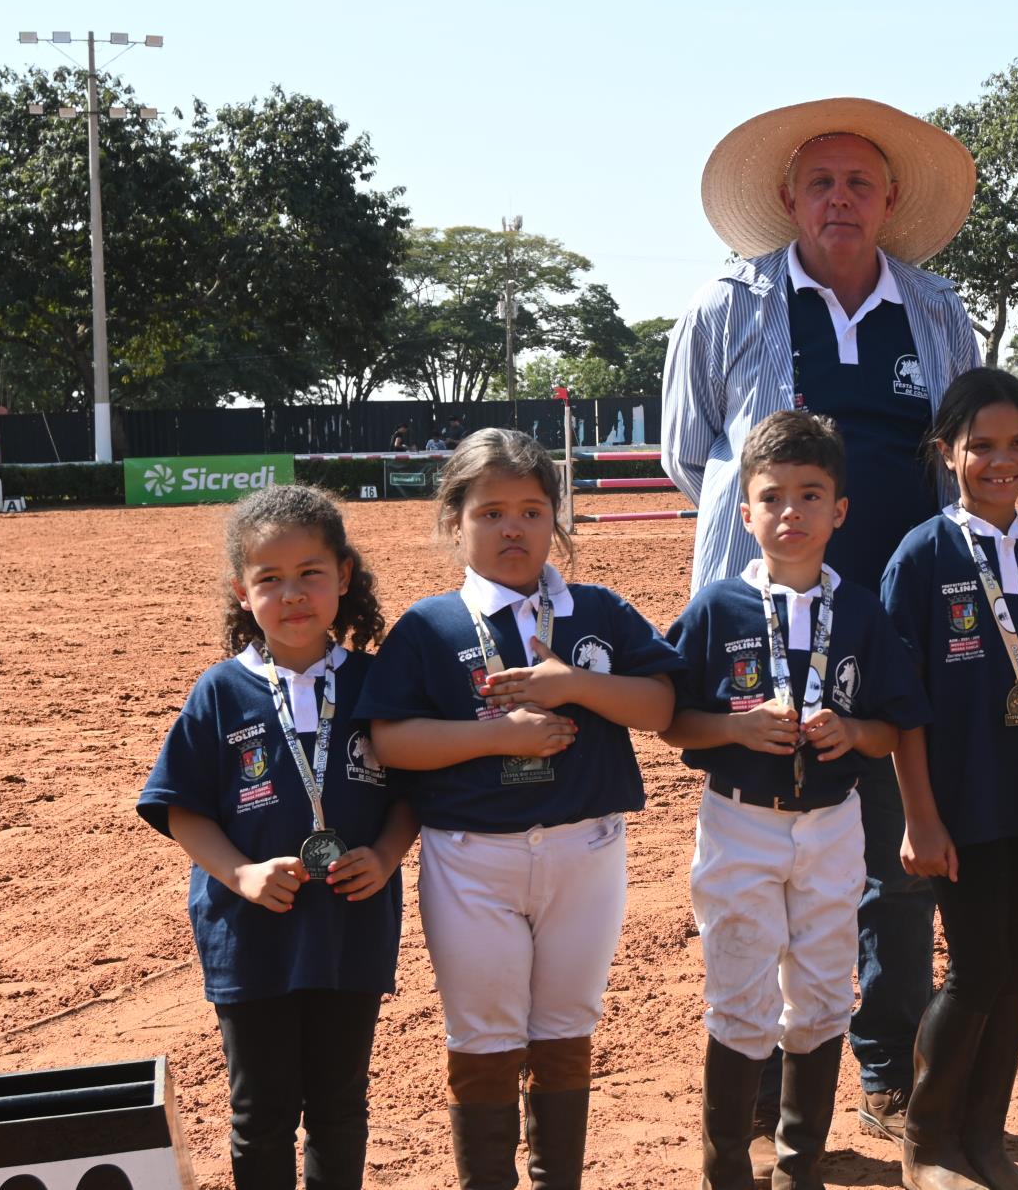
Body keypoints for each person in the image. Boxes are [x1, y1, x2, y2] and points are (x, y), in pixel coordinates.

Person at [661, 97, 981, 1154]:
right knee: (761, 862)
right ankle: (758, 1097)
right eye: (820, 183)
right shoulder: (728, 303)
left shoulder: (935, 310)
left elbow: (959, 450)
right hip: (769, 635)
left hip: (894, 637)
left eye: (860, 183)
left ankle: (886, 1075)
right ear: (789, 199)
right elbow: (692, 452)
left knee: (895, 867)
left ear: (890, 201)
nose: (840, 199)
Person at [357, 429, 684, 1190]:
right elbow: (391, 742)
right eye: (491, 510)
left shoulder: (596, 609)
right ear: (456, 520)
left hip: (586, 849)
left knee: (568, 1027)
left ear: (555, 519)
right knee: (483, 1036)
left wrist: (571, 684)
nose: (513, 527)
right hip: (472, 856)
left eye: (533, 510)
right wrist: (499, 736)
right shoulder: (429, 626)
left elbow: (662, 703)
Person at [662, 410, 930, 1190]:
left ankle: (798, 1166)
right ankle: (726, 1170)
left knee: (819, 996)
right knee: (742, 998)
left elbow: (892, 724)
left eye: (811, 495)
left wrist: (852, 729)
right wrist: (738, 728)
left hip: (832, 825)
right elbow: (673, 719)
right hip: (741, 820)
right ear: (743, 512)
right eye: (772, 497)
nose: (791, 513)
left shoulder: (861, 611)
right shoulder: (718, 608)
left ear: (838, 511)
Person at [138, 484, 414, 1190]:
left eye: (310, 574)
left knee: (340, 1107)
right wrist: (240, 874)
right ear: (242, 590)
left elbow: (414, 794)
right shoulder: (220, 691)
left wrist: (385, 856)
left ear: (344, 576)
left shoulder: (377, 684)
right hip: (250, 934)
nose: (292, 594)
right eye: (269, 579)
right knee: (259, 1113)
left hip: (350, 930)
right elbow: (181, 807)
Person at [881, 369, 1018, 1190]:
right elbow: (902, 702)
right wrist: (918, 817)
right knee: (976, 965)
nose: (1001, 461)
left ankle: (987, 1141)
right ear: (948, 453)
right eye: (982, 446)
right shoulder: (922, 555)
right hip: (959, 801)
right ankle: (926, 1141)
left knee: (1016, 965)